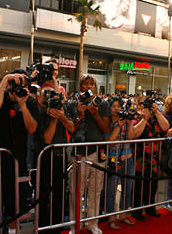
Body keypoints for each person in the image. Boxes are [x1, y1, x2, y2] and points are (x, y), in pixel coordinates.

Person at [0, 69, 38, 234]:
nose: (20, 88)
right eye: (17, 84)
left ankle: (12, 232)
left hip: (18, 161)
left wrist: (23, 104)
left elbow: (32, 129)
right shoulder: (0, 96)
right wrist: (5, 79)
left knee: (14, 206)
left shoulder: (29, 102)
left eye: (24, 85)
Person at [67, 74, 111, 234]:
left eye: (92, 84)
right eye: (86, 84)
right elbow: (71, 129)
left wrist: (94, 114)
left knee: (95, 190)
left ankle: (92, 223)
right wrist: (81, 115)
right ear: (81, 86)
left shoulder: (103, 104)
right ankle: (75, 225)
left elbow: (106, 130)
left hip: (97, 152)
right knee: (75, 191)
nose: (89, 87)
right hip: (78, 153)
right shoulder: (73, 103)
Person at [35, 87, 74, 233]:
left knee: (60, 193)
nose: (50, 103)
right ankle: (43, 227)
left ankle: (57, 226)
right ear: (40, 99)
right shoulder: (39, 112)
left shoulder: (62, 109)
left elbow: (71, 129)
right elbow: (47, 139)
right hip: (44, 157)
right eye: (46, 100)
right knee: (44, 195)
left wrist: (61, 116)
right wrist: (53, 120)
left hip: (60, 156)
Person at [131, 95, 169, 221]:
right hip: (140, 157)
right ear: (138, 105)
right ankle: (136, 210)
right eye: (142, 103)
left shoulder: (156, 116)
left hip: (155, 156)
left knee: (153, 184)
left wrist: (156, 111)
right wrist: (144, 119)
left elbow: (165, 127)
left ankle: (150, 207)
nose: (145, 106)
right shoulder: (134, 116)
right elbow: (134, 134)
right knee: (139, 185)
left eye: (147, 103)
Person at [102, 97, 135, 230]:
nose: (117, 109)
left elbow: (131, 138)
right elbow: (108, 140)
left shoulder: (126, 121)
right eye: (114, 106)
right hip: (112, 160)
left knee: (128, 188)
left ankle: (123, 214)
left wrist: (130, 123)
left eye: (119, 106)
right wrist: (118, 126)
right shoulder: (106, 122)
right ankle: (111, 218)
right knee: (111, 190)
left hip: (128, 158)